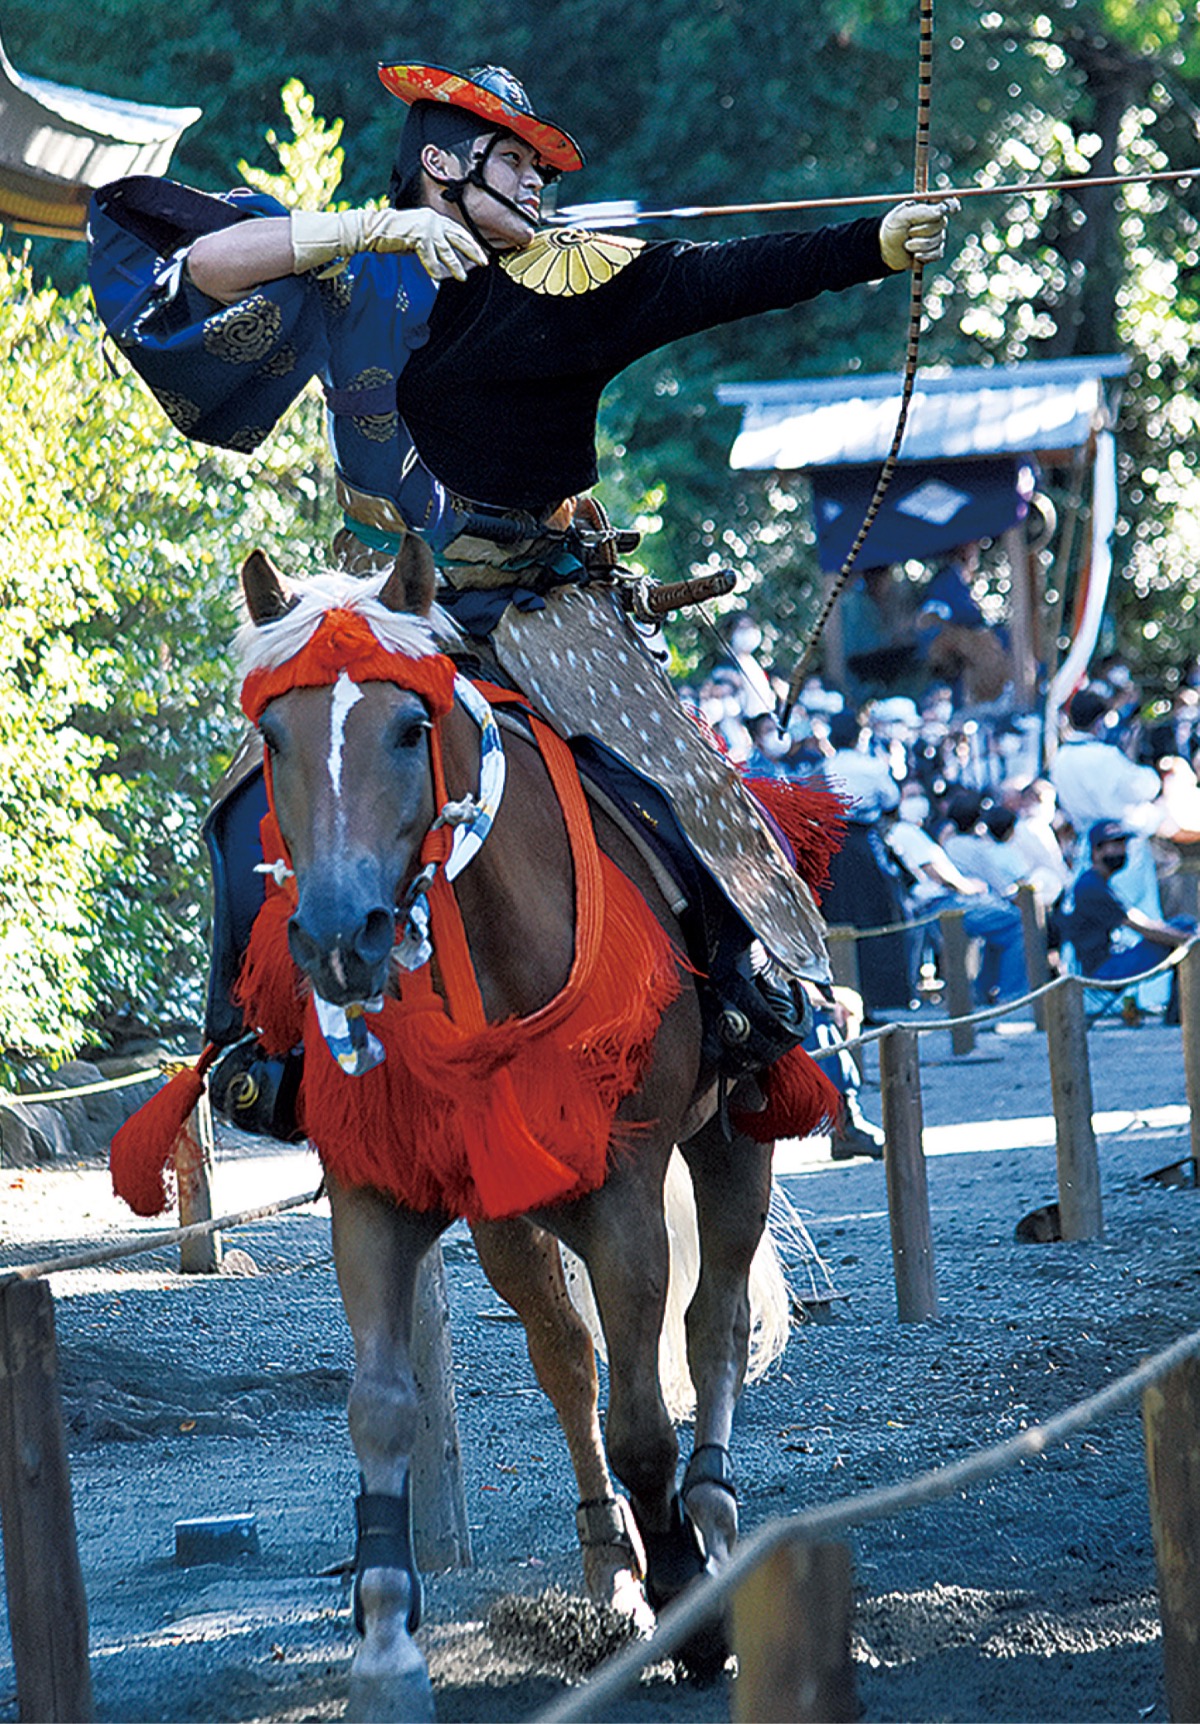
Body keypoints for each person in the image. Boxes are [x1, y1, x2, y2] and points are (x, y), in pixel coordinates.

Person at [89, 61, 953, 1056]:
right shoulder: (352, 267)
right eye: (516, 160)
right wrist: (371, 228)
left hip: (540, 598)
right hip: (382, 602)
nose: (541, 183)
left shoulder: (572, 276)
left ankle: (739, 1003)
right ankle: (254, 1048)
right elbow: (200, 266)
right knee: (256, 788)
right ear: (444, 165)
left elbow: (719, 275)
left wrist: (872, 244)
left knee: (676, 777)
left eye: (541, 165)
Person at [884, 789, 1028, 1005]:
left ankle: (984, 992)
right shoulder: (906, 830)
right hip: (943, 903)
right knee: (1015, 922)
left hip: (939, 903)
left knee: (1001, 927)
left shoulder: (938, 838)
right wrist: (965, 887)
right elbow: (933, 869)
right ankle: (1012, 994)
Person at [1061, 821, 1194, 1019]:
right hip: (1101, 969)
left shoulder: (1095, 881)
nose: (1121, 851)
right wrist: (1190, 938)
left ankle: (1180, 1013)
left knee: (1183, 926)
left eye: (1122, 845)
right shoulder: (1091, 887)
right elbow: (1143, 928)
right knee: (1184, 939)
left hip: (1109, 958)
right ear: (1096, 852)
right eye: (1113, 846)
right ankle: (1183, 1015)